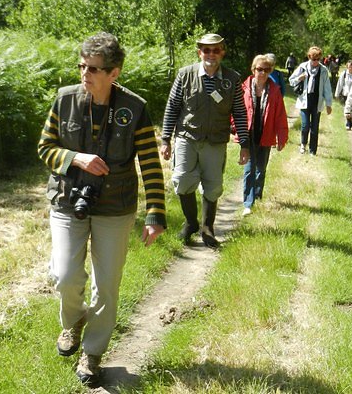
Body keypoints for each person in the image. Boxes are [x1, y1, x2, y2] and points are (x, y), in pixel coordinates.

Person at [37, 32, 166, 387]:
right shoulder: (63, 101)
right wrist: (74, 157)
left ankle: (92, 353)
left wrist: (155, 212)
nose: (85, 73)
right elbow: (45, 147)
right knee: (64, 276)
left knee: (106, 284)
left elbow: (150, 163)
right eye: (81, 66)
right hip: (67, 201)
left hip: (115, 207)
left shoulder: (134, 108)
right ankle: (74, 320)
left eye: (93, 68)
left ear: (114, 72)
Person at [160, 33, 249, 248]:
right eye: (206, 50)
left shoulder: (232, 79)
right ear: (199, 52)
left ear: (222, 53)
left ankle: (207, 229)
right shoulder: (184, 75)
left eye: (216, 50)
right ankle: (191, 223)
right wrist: (165, 139)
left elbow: (239, 111)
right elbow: (172, 107)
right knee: (182, 180)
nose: (211, 54)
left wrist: (244, 144)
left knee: (213, 186)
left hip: (215, 141)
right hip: (186, 138)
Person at [238, 54, 289, 215]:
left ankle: (258, 196)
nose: (263, 73)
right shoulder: (243, 88)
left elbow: (280, 116)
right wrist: (234, 128)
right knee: (249, 169)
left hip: (266, 135)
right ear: (253, 70)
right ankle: (248, 202)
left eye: (267, 70)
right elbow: (236, 111)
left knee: (261, 169)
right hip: (249, 135)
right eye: (260, 69)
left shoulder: (274, 91)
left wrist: (282, 138)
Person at [288, 46, 333, 155]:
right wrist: (300, 78)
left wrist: (328, 104)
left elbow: (327, 88)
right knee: (305, 125)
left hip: (317, 102)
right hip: (305, 101)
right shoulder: (302, 67)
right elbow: (291, 81)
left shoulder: (323, 70)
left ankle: (313, 150)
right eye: (314, 59)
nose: (316, 62)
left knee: (315, 127)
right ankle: (303, 144)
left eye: (318, 59)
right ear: (309, 57)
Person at [335, 59, 352, 129]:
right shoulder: (344, 74)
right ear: (347, 67)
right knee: (347, 108)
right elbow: (340, 84)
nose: (350, 68)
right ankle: (348, 123)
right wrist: (337, 93)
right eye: (349, 66)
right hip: (346, 94)